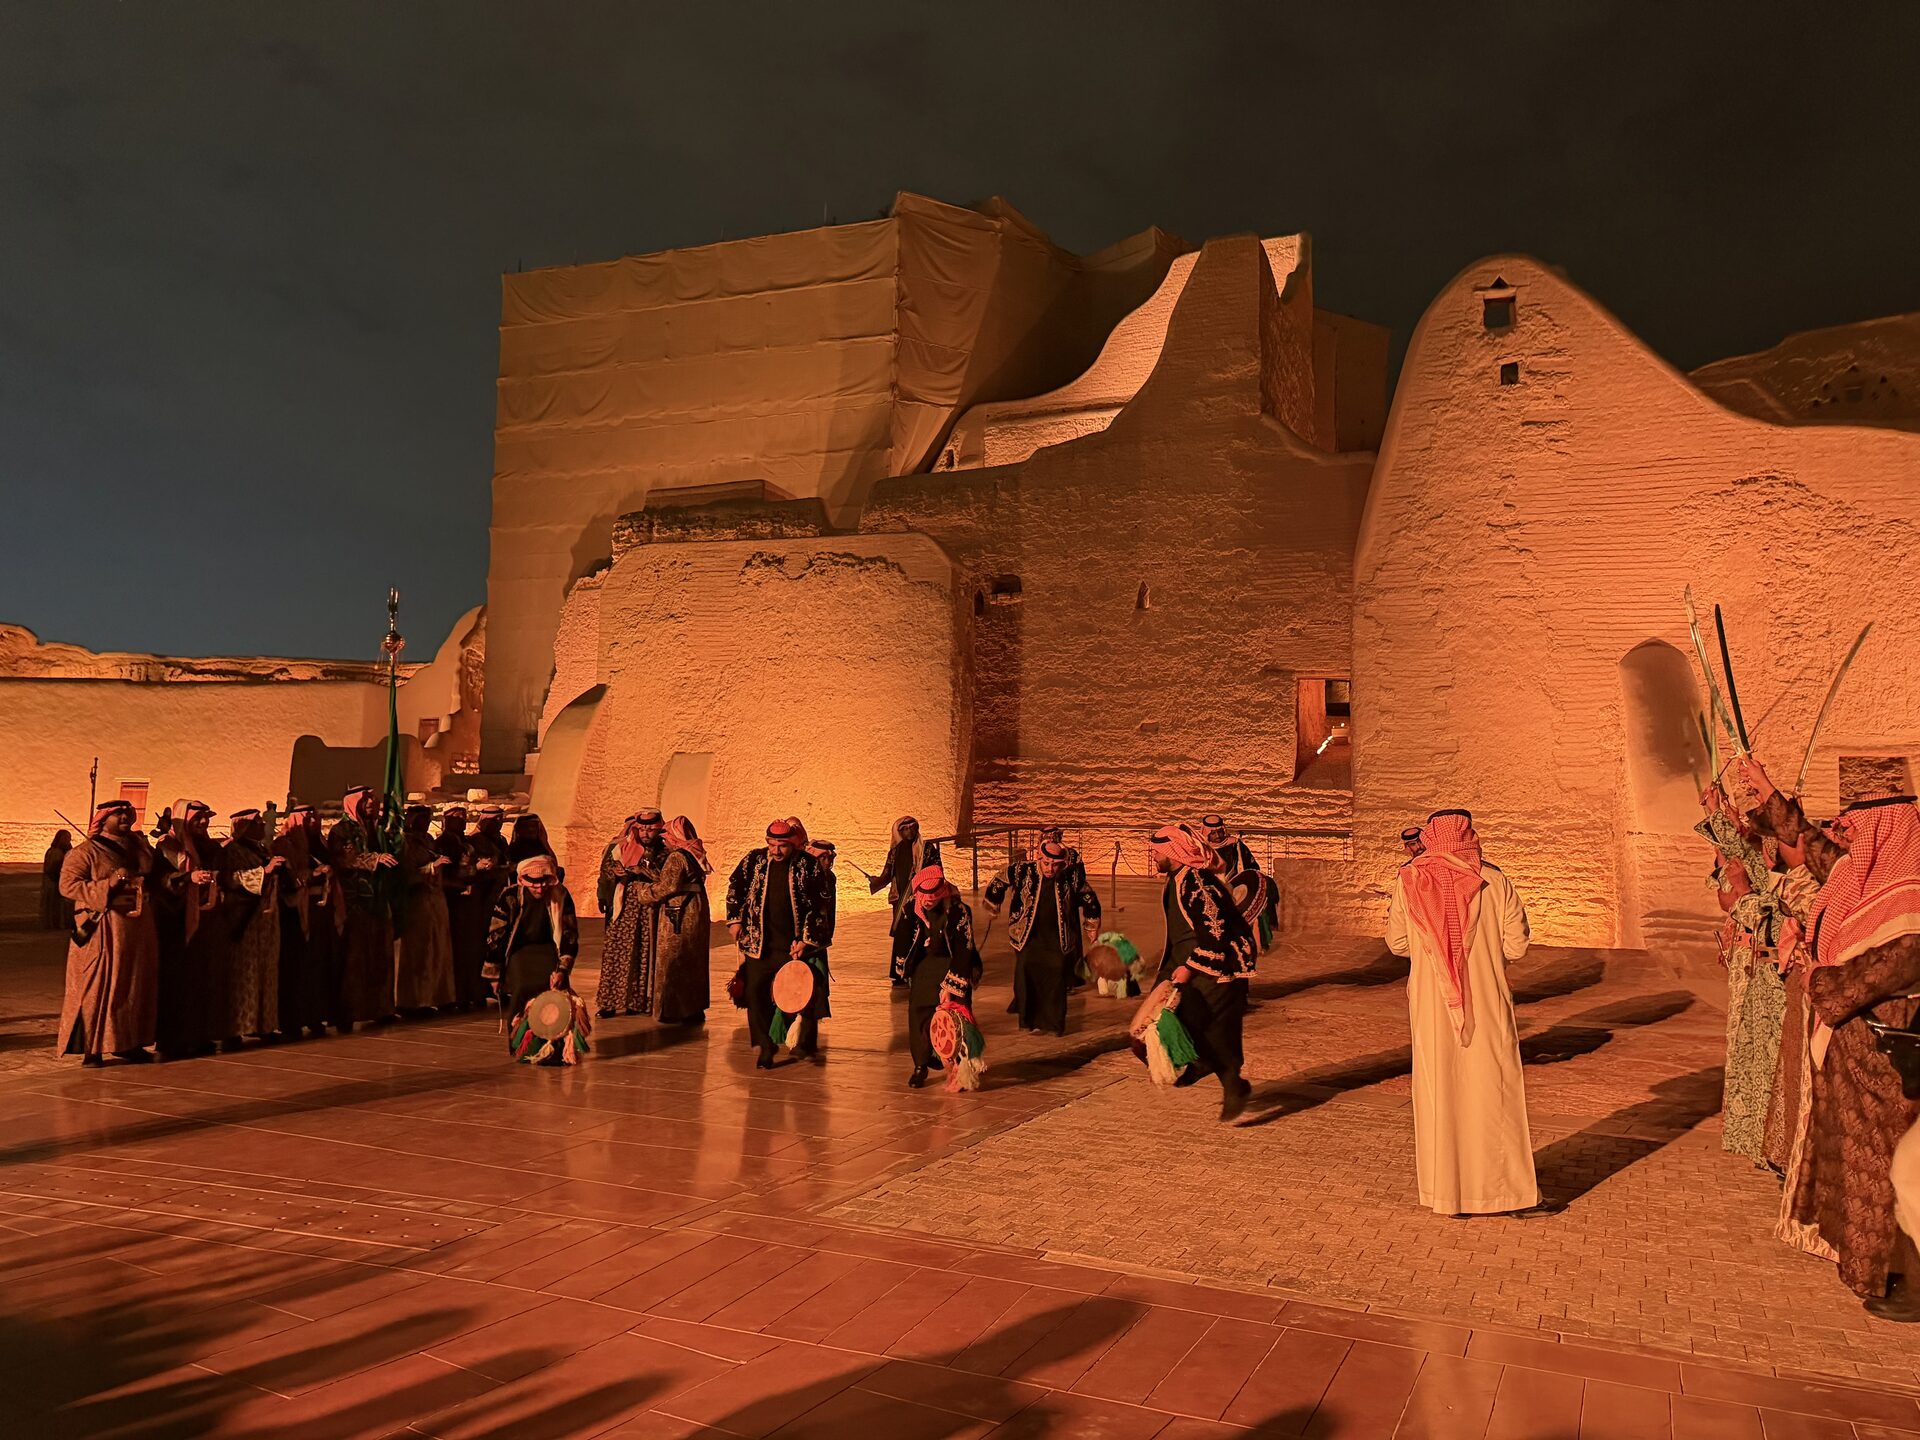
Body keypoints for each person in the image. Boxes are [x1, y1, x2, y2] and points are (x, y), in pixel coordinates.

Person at [1743, 755, 1920, 1319]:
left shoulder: (1908, 898)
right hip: (1853, 1056)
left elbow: (1879, 972)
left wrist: (1815, 973)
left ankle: (1894, 1274)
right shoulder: (1863, 872)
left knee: (1890, 1170)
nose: (1844, 834)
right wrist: (1767, 790)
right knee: (1862, 1166)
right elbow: (1809, 843)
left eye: (1854, 824)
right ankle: (1866, 1263)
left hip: (1889, 1060)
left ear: (1885, 826)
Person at [1386, 809, 1541, 1217]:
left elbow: (1398, 943)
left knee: (1440, 1094)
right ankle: (1503, 1195)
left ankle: (1446, 1196)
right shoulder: (1494, 880)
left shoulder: (1409, 882)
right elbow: (1516, 947)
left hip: (1431, 1006)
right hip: (1486, 1004)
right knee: (1494, 1094)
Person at [1699, 781, 1790, 1163]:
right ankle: (1756, 1140)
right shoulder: (1758, 862)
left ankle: (1773, 1143)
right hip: (1751, 974)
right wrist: (1714, 812)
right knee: (1747, 1057)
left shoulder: (1791, 874)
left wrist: (1743, 894)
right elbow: (1732, 871)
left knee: (1770, 1063)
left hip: (1774, 978)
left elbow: (1765, 914)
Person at [1149, 823, 1257, 1119]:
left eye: (1157, 851)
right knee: (1168, 1018)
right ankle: (1199, 1064)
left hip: (1217, 965)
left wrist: (1189, 968)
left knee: (1212, 1027)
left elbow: (1215, 934)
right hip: (1187, 960)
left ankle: (1229, 1083)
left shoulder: (1197, 883)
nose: (1153, 855)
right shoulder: (1179, 878)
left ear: (1174, 853)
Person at [56, 800, 159, 1066]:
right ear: (103, 819)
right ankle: (93, 1048)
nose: (125, 817)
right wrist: (107, 884)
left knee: (133, 985)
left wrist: (141, 849)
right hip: (104, 928)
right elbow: (68, 886)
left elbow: (150, 872)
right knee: (99, 987)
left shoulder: (137, 847)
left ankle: (128, 1042)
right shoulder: (85, 852)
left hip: (136, 929)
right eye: (118, 814)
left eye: (128, 813)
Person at [725, 819, 827, 1069]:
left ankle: (803, 1042)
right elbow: (735, 888)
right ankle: (764, 1045)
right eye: (772, 845)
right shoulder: (753, 861)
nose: (776, 851)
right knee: (755, 994)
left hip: (792, 946)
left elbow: (820, 905)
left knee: (798, 996)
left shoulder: (808, 865)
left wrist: (806, 939)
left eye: (782, 845)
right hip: (758, 943)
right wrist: (734, 921)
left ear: (792, 843)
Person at [986, 839, 1101, 1035]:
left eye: (1055, 865)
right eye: (1046, 863)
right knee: (1025, 971)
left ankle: (1053, 1023)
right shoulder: (1023, 870)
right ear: (1039, 858)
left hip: (1057, 937)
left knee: (1056, 975)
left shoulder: (1070, 877)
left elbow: (1089, 898)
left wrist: (1091, 924)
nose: (1050, 869)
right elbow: (1000, 879)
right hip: (1027, 935)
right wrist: (993, 903)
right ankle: (1027, 1021)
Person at [486, 854, 587, 1065]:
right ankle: (521, 1045)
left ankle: (551, 1048)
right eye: (534, 884)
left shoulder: (561, 895)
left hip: (550, 950)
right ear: (523, 880)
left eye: (543, 883)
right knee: (523, 988)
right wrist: (494, 973)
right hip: (519, 952)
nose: (539, 889)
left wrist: (562, 969)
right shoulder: (510, 896)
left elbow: (569, 934)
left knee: (553, 994)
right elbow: (497, 936)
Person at [615, 816, 713, 1026]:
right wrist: (644, 871)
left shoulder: (677, 856)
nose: (664, 841)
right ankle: (693, 1008)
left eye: (666, 836)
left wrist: (642, 891)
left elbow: (668, 886)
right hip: (693, 908)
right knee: (692, 961)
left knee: (672, 959)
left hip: (679, 911)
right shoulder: (692, 855)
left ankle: (673, 1009)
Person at [152, 799, 230, 1058]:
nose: (203, 823)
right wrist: (188, 878)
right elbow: (160, 881)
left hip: (207, 924)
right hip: (177, 926)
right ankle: (172, 1041)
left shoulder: (209, 847)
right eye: (197, 819)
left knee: (205, 980)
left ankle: (201, 1035)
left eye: (205, 818)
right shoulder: (167, 847)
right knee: (176, 985)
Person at [895, 865, 982, 1089]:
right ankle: (920, 1064)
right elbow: (902, 942)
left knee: (956, 1018)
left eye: (933, 896)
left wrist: (951, 986)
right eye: (924, 896)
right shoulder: (909, 911)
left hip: (953, 964)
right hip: (925, 967)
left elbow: (965, 949)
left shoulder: (958, 910)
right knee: (919, 1014)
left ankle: (962, 1069)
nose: (928, 900)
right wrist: (903, 969)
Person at [328, 785, 399, 1030]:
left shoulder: (378, 829)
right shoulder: (341, 831)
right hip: (355, 902)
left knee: (381, 954)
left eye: (372, 799)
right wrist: (374, 859)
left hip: (379, 899)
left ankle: (381, 1008)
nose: (371, 803)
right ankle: (348, 1013)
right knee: (354, 958)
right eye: (365, 800)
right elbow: (344, 860)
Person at [220, 808, 284, 1043]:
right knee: (243, 974)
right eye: (256, 823)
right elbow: (229, 878)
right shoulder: (231, 850)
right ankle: (236, 1027)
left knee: (265, 971)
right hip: (245, 919)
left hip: (265, 919)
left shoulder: (261, 848)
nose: (262, 827)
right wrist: (263, 872)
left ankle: (263, 1025)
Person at [273, 805, 336, 1039]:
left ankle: (316, 1015)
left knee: (318, 964)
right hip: (296, 914)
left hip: (320, 911)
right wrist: (313, 875)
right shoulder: (284, 844)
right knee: (296, 967)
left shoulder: (319, 843)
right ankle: (292, 1020)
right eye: (307, 818)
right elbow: (288, 879)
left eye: (315, 818)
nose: (313, 822)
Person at [596, 810, 667, 1018]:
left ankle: (639, 1002)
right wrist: (615, 873)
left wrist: (643, 872)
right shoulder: (621, 847)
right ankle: (609, 1002)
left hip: (648, 910)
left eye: (650, 830)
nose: (646, 834)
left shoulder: (665, 850)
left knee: (643, 953)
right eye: (642, 829)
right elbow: (605, 870)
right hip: (623, 908)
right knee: (616, 953)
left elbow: (667, 877)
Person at [396, 804, 456, 1013]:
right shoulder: (404, 842)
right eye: (420, 818)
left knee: (437, 948)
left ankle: (434, 996)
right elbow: (405, 874)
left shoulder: (428, 840)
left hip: (435, 900)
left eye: (427, 818)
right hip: (416, 902)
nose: (425, 822)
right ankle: (412, 1002)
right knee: (418, 951)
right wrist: (432, 867)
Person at [872, 816, 939, 981]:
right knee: (903, 933)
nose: (910, 832)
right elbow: (888, 874)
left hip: (921, 897)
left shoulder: (928, 849)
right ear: (899, 832)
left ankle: (919, 970)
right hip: (900, 899)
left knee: (920, 933)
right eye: (905, 829)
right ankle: (900, 972)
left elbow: (936, 871)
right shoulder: (895, 851)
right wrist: (876, 881)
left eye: (912, 828)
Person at [435, 806, 486, 1012]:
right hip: (453, 902)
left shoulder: (466, 842)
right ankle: (453, 995)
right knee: (453, 950)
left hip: (469, 904)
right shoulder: (442, 844)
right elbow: (444, 876)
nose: (461, 822)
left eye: (463, 819)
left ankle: (468, 992)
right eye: (456, 819)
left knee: (469, 950)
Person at [1201, 813, 1274, 950]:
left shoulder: (1235, 844)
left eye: (1219, 831)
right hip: (1210, 890)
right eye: (1213, 833)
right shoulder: (1202, 848)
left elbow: (1250, 867)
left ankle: (1253, 945)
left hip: (1235, 887)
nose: (1217, 835)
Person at [794, 835, 838, 1058]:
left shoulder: (829, 879)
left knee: (814, 990)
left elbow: (827, 914)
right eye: (823, 858)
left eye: (831, 858)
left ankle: (807, 1039)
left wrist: (813, 939)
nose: (828, 862)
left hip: (815, 944)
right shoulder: (801, 876)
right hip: (794, 943)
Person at [467, 806, 513, 1004]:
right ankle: (478, 988)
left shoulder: (501, 840)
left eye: (499, 821)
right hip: (482, 898)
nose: (497, 825)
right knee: (481, 944)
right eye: (493, 821)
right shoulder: (474, 841)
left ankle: (498, 986)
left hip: (500, 895)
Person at [40, 829, 73, 931]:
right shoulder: (55, 852)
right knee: (54, 904)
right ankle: (53, 924)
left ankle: (60, 923)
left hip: (58, 881)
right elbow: (53, 868)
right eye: (66, 838)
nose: (68, 841)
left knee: (60, 905)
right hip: (53, 881)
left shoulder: (64, 851)